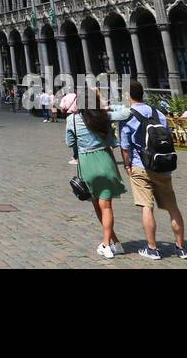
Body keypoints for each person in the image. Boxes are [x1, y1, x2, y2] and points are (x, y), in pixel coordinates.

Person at [120, 82, 187, 261]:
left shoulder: (127, 116)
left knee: (146, 207)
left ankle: (152, 248)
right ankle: (181, 248)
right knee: (173, 208)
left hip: (140, 165)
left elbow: (125, 147)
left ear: (128, 95)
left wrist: (127, 165)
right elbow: (167, 138)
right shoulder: (158, 113)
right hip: (162, 165)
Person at [66, 95, 126, 259]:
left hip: (87, 163)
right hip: (106, 160)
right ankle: (115, 243)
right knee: (106, 205)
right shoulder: (103, 116)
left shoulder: (72, 119)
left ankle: (106, 245)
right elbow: (125, 112)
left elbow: (70, 142)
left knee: (98, 205)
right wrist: (107, 107)